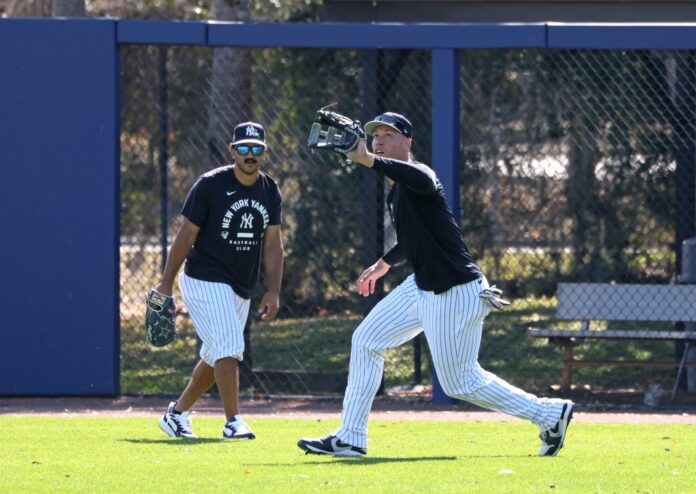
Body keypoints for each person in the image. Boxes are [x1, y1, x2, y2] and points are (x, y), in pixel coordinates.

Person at [298, 112, 573, 457]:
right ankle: (351, 436)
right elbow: (414, 238)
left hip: (455, 290)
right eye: (375, 135)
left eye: (388, 134)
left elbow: (420, 176)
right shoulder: (396, 191)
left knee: (461, 383)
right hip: (422, 286)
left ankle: (548, 413)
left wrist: (369, 160)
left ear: (408, 142)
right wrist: (384, 263)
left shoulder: (421, 176)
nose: (379, 140)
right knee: (366, 340)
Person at [156, 121, 284, 440]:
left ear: (264, 152)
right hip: (204, 277)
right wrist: (165, 283)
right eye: (244, 148)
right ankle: (233, 422)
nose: (250, 154)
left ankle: (176, 414)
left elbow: (272, 243)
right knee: (229, 346)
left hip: (241, 284)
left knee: (217, 354)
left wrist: (273, 290)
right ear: (232, 151)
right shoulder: (210, 185)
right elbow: (186, 235)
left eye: (256, 149)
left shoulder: (269, 189)